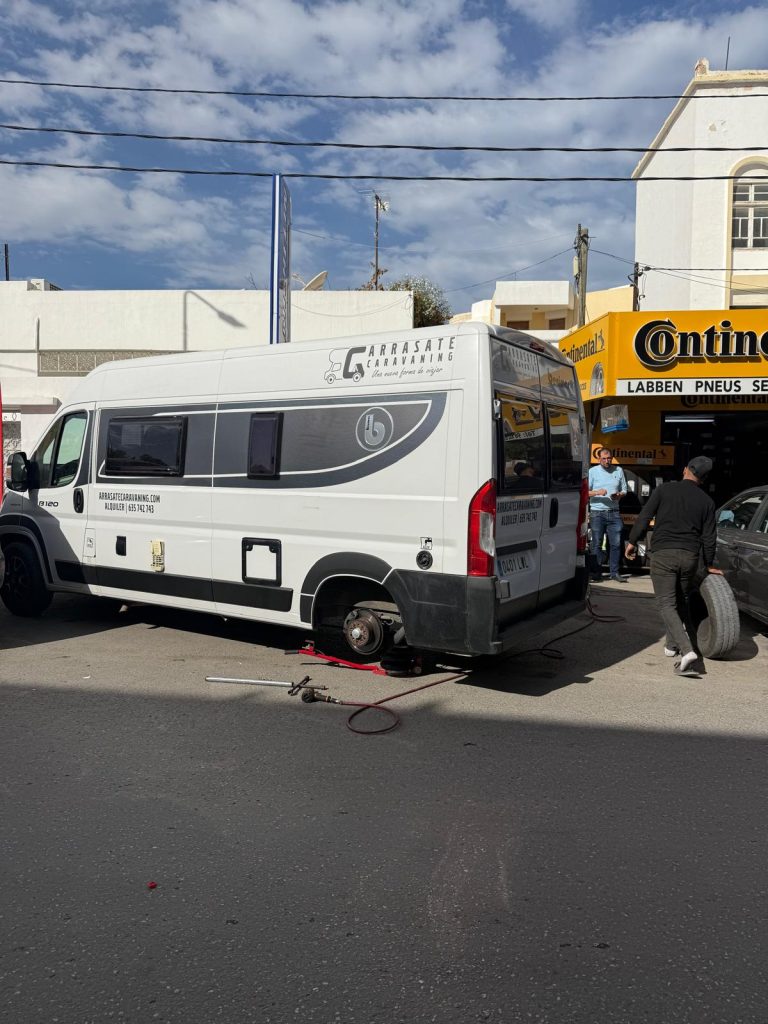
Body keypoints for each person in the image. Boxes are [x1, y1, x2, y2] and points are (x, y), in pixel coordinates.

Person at [625, 455, 722, 678]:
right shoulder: (707, 502)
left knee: (666, 603)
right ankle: (671, 645)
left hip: (663, 554)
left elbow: (644, 517)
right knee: (680, 599)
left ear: (686, 469)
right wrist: (709, 563)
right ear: (704, 479)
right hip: (689, 557)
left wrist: (632, 541)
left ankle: (687, 651)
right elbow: (709, 537)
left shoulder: (664, 490)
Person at [587, 447, 627, 582]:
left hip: (614, 513)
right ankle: (596, 573)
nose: (606, 461)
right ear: (599, 459)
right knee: (596, 544)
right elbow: (585, 492)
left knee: (616, 544)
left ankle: (614, 573)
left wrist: (619, 495)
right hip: (597, 512)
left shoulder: (618, 470)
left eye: (609, 458)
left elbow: (624, 490)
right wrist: (597, 492)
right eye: (603, 458)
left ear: (612, 458)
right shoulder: (592, 471)